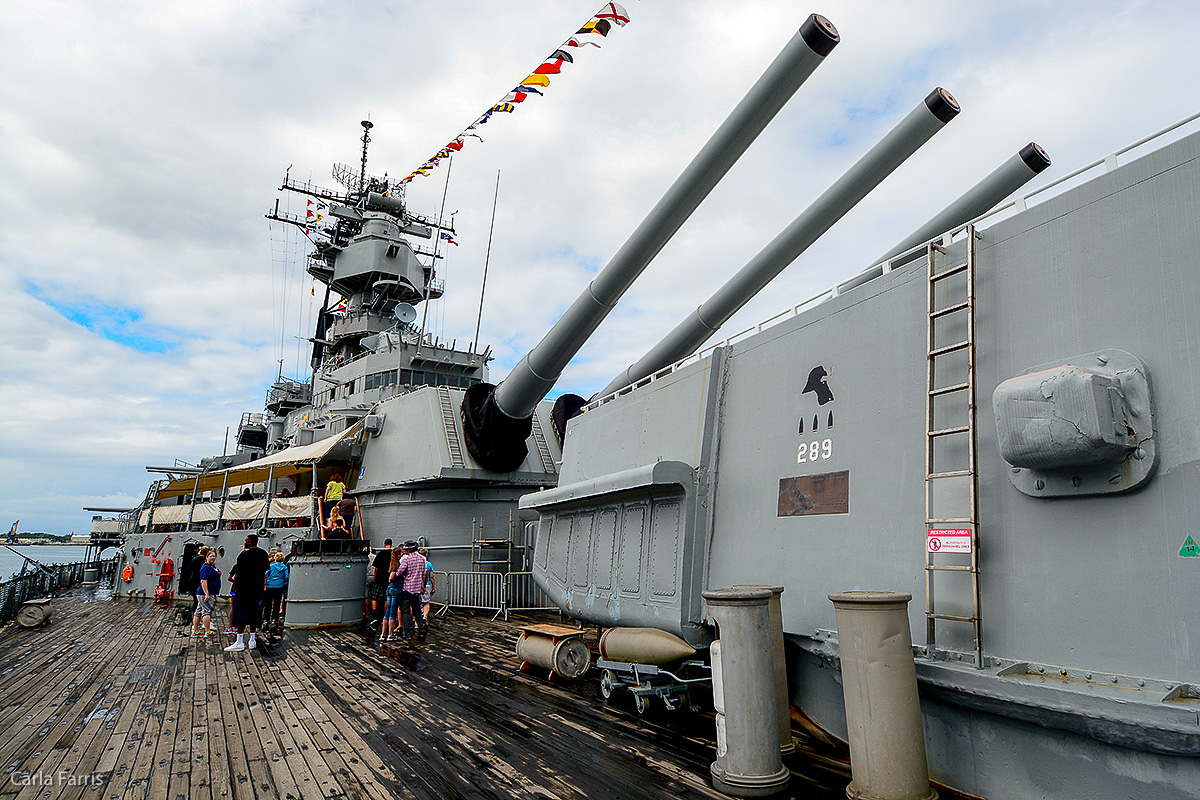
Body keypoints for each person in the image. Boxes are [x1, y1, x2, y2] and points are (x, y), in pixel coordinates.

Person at [225, 534, 270, 652]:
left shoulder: (243, 555)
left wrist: (235, 586)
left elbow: (238, 573)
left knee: (241, 613)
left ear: (250, 542)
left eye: (246, 540)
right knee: (254, 613)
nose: (245, 542)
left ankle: (239, 641)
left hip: (243, 588)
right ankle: (252, 640)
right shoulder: (263, 554)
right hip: (257, 588)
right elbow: (266, 569)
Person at [392, 541, 428, 642]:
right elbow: (424, 574)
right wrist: (423, 586)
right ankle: (421, 630)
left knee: (405, 611)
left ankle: (408, 632)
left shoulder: (407, 559)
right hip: (417, 589)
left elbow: (399, 572)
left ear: (408, 550)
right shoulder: (422, 559)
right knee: (417, 611)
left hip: (407, 588)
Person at [192, 550, 220, 638]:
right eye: (210, 556)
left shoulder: (211, 566)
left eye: (214, 556)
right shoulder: (206, 567)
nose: (212, 558)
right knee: (206, 611)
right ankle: (207, 631)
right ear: (206, 557)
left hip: (205, 592)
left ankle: (195, 631)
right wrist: (207, 593)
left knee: (199, 610)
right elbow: (203, 581)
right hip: (206, 592)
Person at [369, 539, 392, 627]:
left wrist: (375, 578)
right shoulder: (393, 554)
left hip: (379, 578)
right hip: (388, 579)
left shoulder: (380, 554)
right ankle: (385, 615)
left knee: (374, 597)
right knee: (387, 598)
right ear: (391, 544)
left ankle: (374, 614)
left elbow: (376, 568)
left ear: (384, 544)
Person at [263, 552, 289, 629]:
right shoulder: (284, 567)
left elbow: (265, 574)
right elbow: (287, 577)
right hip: (279, 586)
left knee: (268, 603)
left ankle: (266, 619)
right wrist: (285, 584)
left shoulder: (271, 566)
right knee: (277, 603)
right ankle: (275, 619)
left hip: (270, 586)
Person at [185, 546, 210, 624]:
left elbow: (189, 568)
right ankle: (204, 619)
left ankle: (195, 618)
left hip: (193, 581)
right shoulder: (206, 562)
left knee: (196, 601)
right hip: (201, 581)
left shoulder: (195, 559)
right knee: (203, 602)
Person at [418, 547, 435, 622]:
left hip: (417, 585)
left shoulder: (417, 563)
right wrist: (433, 587)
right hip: (427, 584)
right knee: (426, 602)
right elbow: (432, 577)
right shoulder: (429, 564)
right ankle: (425, 616)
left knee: (417, 603)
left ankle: (417, 619)